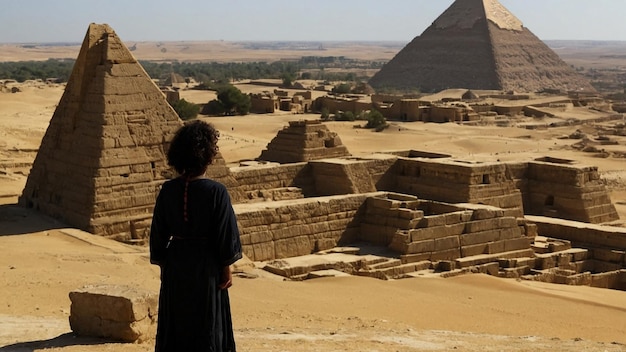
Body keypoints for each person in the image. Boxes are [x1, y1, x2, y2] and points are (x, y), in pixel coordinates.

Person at [150, 120, 242, 352]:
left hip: (176, 264)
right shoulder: (216, 191)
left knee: (177, 324)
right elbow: (225, 234)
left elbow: (158, 234)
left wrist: (165, 265)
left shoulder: (168, 190)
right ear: (208, 156)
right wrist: (226, 266)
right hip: (206, 266)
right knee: (207, 325)